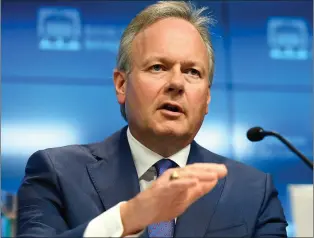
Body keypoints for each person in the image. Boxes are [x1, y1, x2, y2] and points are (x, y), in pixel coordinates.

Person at [17, 1, 288, 237]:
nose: (177, 83)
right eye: (158, 67)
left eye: (193, 72)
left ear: (207, 98)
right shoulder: (57, 173)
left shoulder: (253, 192)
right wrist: (128, 218)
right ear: (121, 85)